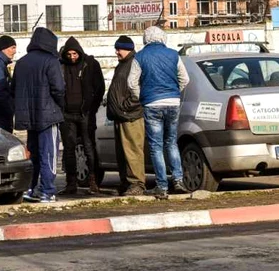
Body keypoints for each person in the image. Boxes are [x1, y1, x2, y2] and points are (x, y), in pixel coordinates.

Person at [128, 27, 190, 199]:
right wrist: (174, 92)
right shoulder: (173, 54)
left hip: (152, 103)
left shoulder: (139, 57)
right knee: (171, 142)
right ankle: (178, 181)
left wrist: (142, 97)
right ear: (163, 38)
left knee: (156, 146)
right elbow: (185, 79)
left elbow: (131, 83)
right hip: (173, 102)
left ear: (145, 39)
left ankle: (161, 186)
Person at [13, 27, 65, 203]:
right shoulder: (51, 61)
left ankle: (30, 188)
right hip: (48, 115)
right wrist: (61, 106)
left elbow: (14, 89)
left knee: (33, 153)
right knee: (49, 154)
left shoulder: (21, 62)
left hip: (28, 116)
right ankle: (47, 190)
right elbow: (59, 88)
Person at [57, 36, 105, 195]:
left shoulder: (90, 64)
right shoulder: (60, 66)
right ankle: (71, 182)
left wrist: (92, 108)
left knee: (89, 146)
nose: (72, 57)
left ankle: (93, 180)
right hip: (67, 114)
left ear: (79, 52)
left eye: (75, 54)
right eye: (69, 55)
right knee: (69, 148)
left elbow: (100, 88)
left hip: (85, 113)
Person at [107, 36, 146, 196]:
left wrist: (126, 107)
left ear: (128, 49)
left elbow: (139, 90)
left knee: (132, 151)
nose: (117, 52)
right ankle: (126, 183)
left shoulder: (134, 64)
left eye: (119, 49)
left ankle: (137, 183)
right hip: (121, 115)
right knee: (122, 152)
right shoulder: (122, 65)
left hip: (131, 116)